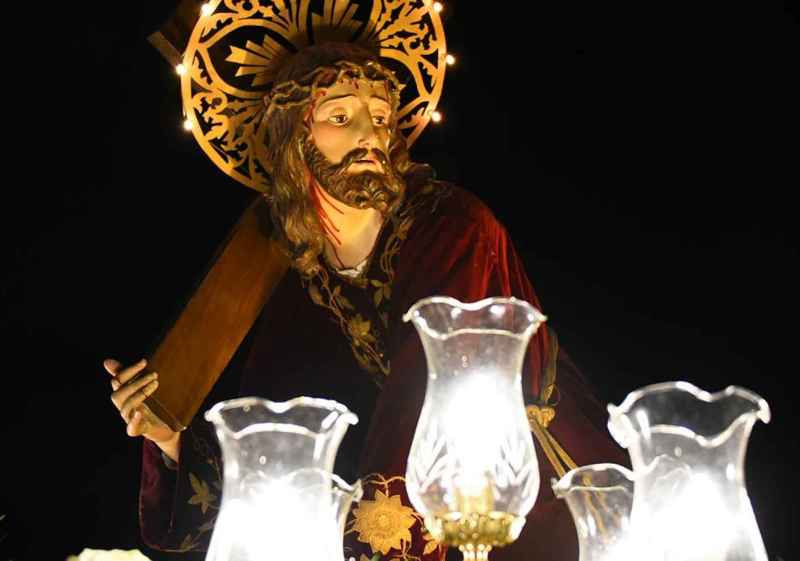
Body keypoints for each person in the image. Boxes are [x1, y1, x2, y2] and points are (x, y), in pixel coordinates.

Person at [105, 41, 627, 561]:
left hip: (536, 502)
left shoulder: (452, 226)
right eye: (340, 116)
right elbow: (285, 426)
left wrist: (375, 543)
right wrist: (173, 442)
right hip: (422, 504)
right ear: (293, 137)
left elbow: (425, 393)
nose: (369, 135)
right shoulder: (302, 270)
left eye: (380, 117)